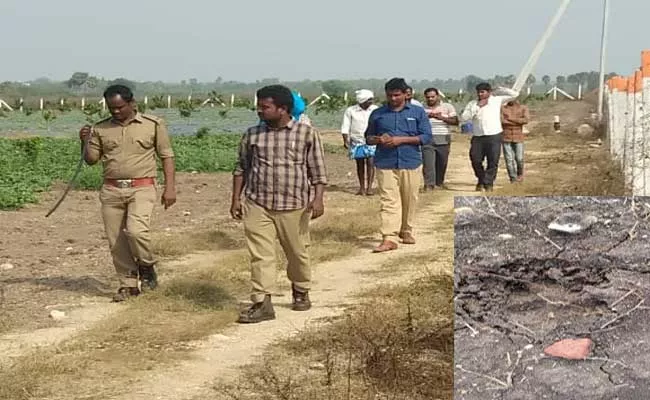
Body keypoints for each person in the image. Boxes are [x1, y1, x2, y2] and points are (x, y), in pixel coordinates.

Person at [231, 84, 327, 324]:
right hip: (257, 202)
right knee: (261, 255)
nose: (259, 111)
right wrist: (235, 199)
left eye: (265, 107)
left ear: (283, 109)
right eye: (259, 106)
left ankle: (301, 288)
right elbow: (241, 167)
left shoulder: (306, 133)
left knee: (297, 252)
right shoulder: (252, 134)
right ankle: (262, 302)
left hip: (294, 204)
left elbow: (317, 170)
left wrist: (318, 198)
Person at [79, 84, 177, 302]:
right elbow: (91, 160)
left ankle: (147, 266)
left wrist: (170, 188)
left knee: (136, 231)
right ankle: (128, 284)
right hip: (112, 189)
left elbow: (167, 156)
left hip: (142, 187)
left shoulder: (153, 124)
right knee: (116, 240)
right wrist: (84, 141)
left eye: (120, 107)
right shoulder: (101, 128)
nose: (115, 111)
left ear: (132, 103)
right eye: (111, 108)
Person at [365, 78, 432, 253]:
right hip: (385, 162)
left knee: (409, 198)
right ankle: (389, 237)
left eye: (397, 95)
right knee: (389, 201)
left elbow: (425, 137)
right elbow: (368, 137)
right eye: (389, 95)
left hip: (410, 162)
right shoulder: (378, 114)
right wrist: (379, 139)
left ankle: (406, 230)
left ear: (405, 94)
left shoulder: (418, 112)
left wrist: (400, 140)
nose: (393, 98)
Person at [460, 82, 519, 192]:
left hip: (494, 135)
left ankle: (488, 183)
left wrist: (501, 88)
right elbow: (464, 117)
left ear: (489, 92)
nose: (480, 94)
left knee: (493, 161)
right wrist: (477, 107)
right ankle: (481, 179)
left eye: (483, 92)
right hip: (478, 136)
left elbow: (514, 95)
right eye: (479, 92)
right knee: (475, 159)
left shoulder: (496, 100)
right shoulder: (472, 104)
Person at [341, 89, 379, 195]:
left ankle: (369, 188)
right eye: (369, 100)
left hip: (371, 140)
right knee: (360, 164)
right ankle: (362, 187)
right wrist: (345, 140)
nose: (371, 102)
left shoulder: (375, 110)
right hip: (357, 141)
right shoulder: (351, 110)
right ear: (363, 100)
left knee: (371, 163)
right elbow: (345, 126)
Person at [422, 88, 459, 191]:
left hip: (443, 137)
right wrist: (427, 117)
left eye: (433, 96)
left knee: (442, 162)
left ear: (437, 96)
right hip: (427, 137)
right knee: (428, 163)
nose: (430, 99)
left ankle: (439, 183)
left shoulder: (447, 107)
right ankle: (429, 185)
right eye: (428, 97)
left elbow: (455, 121)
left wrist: (441, 118)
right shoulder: (421, 108)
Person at [501, 99, 530, 182]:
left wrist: (509, 119)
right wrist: (517, 121)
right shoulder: (502, 108)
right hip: (506, 136)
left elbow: (526, 120)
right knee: (509, 159)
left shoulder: (523, 108)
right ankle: (513, 179)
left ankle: (520, 174)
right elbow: (502, 121)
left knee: (519, 158)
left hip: (518, 137)